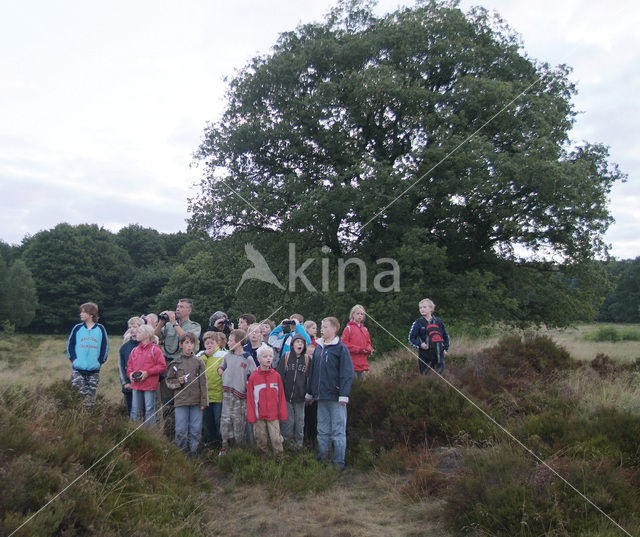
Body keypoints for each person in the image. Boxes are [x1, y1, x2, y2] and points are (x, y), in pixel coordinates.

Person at [305, 317, 354, 470]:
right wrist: (310, 392)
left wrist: (343, 394)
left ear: (334, 329)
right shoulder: (319, 347)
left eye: (325, 327)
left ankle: (339, 463)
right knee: (322, 431)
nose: (322, 329)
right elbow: (313, 372)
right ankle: (323, 460)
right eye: (321, 326)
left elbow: (347, 373)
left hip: (336, 398)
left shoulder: (341, 349)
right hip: (321, 397)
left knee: (338, 431)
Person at [154, 299, 201, 438]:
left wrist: (174, 323)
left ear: (189, 311)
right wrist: (161, 322)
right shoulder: (168, 325)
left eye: (182, 307)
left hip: (184, 364)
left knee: (182, 400)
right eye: (177, 306)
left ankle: (184, 434)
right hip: (168, 365)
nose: (178, 309)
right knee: (166, 402)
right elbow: (154, 337)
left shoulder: (194, 325)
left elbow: (188, 339)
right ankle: (169, 433)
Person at [164, 332, 208, 455]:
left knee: (196, 430)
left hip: (197, 401)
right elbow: (168, 382)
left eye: (192, 343)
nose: (189, 346)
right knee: (181, 430)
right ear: (181, 345)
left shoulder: (199, 362)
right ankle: (181, 455)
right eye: (186, 343)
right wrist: (179, 381)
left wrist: (204, 402)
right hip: (181, 401)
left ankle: (195, 454)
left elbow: (204, 383)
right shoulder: (175, 363)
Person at [217, 329, 256, 456]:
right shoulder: (228, 355)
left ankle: (239, 447)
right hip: (227, 393)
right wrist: (221, 371)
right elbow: (222, 367)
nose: (228, 342)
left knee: (239, 420)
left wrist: (248, 384)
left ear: (238, 342)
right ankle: (224, 446)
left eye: (230, 340)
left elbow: (254, 375)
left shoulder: (247, 358)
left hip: (240, 396)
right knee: (225, 419)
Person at [247, 345, 287, 457]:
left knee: (276, 439)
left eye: (270, 356)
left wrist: (282, 413)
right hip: (259, 415)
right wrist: (251, 416)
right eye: (265, 356)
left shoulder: (276, 376)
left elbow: (281, 396)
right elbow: (250, 398)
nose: (268, 358)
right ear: (259, 359)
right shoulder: (253, 377)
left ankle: (279, 458)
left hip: (274, 415)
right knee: (260, 438)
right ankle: (263, 459)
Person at [66, 302, 108, 406]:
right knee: (78, 395)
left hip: (94, 369)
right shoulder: (77, 328)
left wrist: (99, 362)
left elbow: (105, 346)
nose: (81, 314)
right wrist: (74, 360)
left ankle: (89, 418)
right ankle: (77, 418)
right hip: (78, 368)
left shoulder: (100, 329)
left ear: (91, 314)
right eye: (81, 312)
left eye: (84, 312)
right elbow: (70, 345)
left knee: (90, 398)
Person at [127, 324, 166, 428]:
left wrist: (147, 373)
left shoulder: (155, 350)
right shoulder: (135, 350)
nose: (137, 334)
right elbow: (129, 366)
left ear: (147, 335)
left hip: (149, 385)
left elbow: (162, 366)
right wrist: (130, 374)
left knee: (149, 410)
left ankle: (150, 434)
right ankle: (132, 431)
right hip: (136, 384)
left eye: (140, 332)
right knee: (135, 409)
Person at [276, 334, 309, 449]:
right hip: (286, 396)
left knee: (299, 423)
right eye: (297, 342)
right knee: (287, 423)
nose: (299, 344)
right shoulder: (286, 356)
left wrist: (308, 393)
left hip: (300, 398)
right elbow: (279, 375)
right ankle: (287, 446)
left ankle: (298, 447)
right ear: (292, 344)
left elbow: (309, 377)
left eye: (302, 342)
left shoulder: (307, 359)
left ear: (304, 346)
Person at [198, 331, 226, 449]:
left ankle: (221, 444)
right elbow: (196, 365)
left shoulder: (223, 354)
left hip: (219, 394)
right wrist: (205, 355)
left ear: (217, 343)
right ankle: (209, 444)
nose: (209, 345)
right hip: (205, 395)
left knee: (218, 420)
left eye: (212, 343)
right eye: (207, 343)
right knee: (207, 421)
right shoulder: (200, 355)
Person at [408, 298, 450, 375]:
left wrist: (445, 349)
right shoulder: (418, 323)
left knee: (442, 376)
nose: (422, 309)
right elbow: (411, 339)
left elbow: (445, 336)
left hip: (439, 354)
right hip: (425, 355)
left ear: (431, 309)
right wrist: (420, 345)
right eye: (420, 308)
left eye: (424, 307)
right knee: (426, 377)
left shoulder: (438, 321)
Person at [118, 316, 144, 415]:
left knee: (145, 410)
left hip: (144, 385)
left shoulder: (148, 346)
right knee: (131, 410)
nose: (132, 329)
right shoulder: (124, 347)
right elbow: (121, 366)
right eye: (130, 327)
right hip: (129, 385)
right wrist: (125, 382)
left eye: (135, 327)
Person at [341, 305, 374, 380]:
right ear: (353, 314)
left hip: (362, 363)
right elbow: (344, 345)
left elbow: (368, 343)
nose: (360, 316)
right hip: (352, 363)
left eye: (362, 314)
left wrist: (369, 349)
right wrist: (359, 349)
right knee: (353, 385)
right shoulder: (348, 328)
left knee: (362, 386)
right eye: (358, 313)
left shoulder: (365, 329)